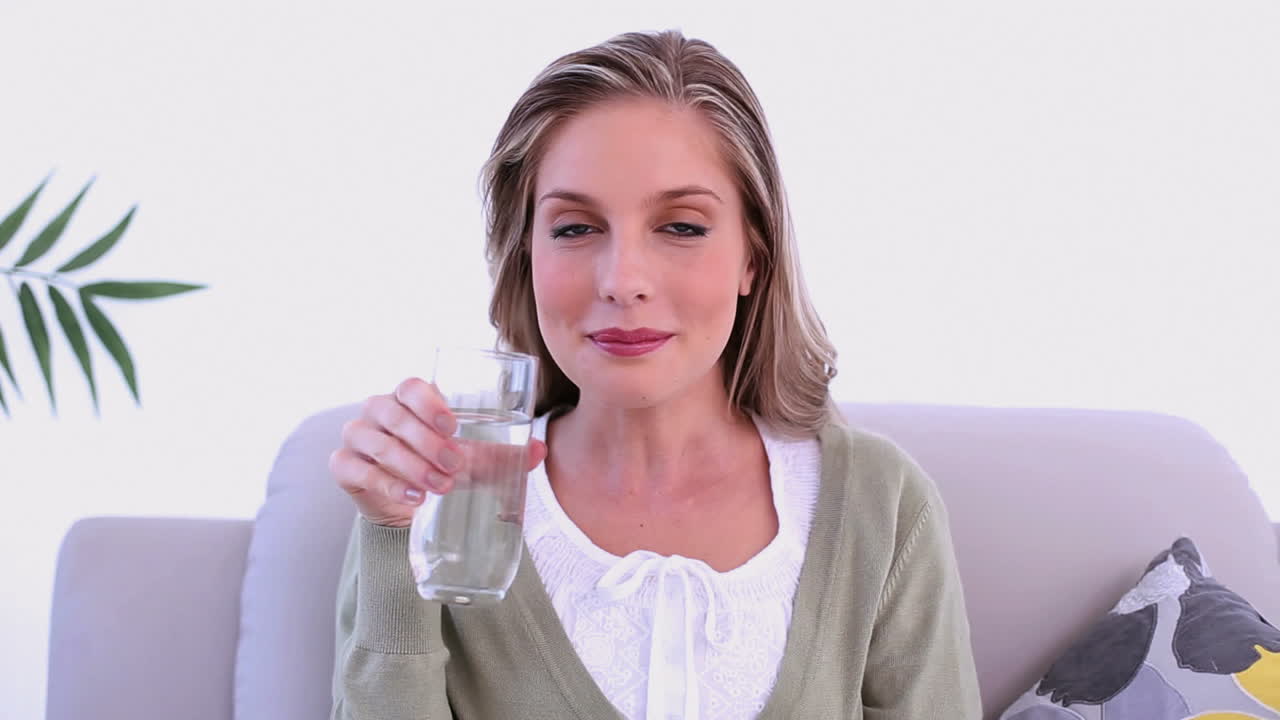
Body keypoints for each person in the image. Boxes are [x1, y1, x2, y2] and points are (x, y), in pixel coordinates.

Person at [328, 29, 981, 720]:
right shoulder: (439, 500)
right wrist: (393, 534)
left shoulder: (881, 506)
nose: (623, 280)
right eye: (575, 228)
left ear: (753, 258)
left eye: (681, 227)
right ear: (526, 257)